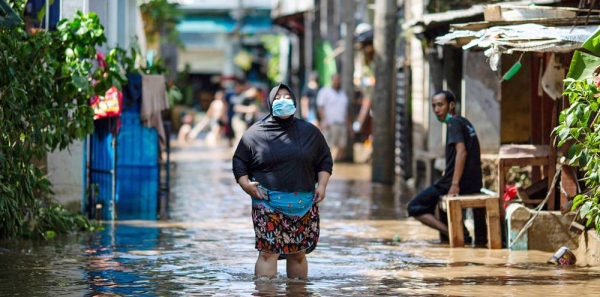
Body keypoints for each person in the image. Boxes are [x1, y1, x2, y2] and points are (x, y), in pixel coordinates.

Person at [232, 83, 333, 279]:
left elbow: (324, 160)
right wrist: (245, 184)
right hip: (267, 202)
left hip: (303, 204)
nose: (283, 101)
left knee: (297, 254)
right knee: (268, 253)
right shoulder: (255, 133)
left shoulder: (310, 132)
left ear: (294, 101)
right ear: (270, 103)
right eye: (278, 98)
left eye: (287, 97)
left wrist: (322, 185)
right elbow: (239, 161)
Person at [407, 90, 483, 243]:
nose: (436, 110)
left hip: (457, 183)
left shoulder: (454, 124)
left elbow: (462, 152)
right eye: (434, 106)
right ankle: (457, 234)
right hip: (473, 182)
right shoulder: (464, 122)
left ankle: (453, 231)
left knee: (414, 207)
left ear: (452, 105)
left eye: (440, 105)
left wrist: (454, 185)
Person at [317, 73, 352, 161]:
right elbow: (320, 107)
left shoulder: (343, 93)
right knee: (329, 145)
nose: (337, 81)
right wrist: (324, 121)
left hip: (342, 124)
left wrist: (349, 126)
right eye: (335, 79)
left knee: (342, 146)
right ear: (332, 80)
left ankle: (335, 164)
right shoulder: (325, 91)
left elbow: (346, 110)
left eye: (338, 79)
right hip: (330, 124)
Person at [223, 77, 248, 147]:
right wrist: (224, 116)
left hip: (239, 118)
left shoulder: (244, 95)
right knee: (229, 136)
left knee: (238, 136)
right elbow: (225, 105)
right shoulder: (229, 93)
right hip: (230, 116)